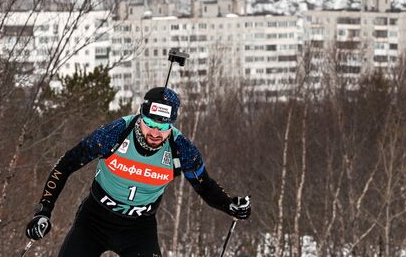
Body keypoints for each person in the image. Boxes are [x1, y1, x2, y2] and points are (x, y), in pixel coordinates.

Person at [25, 87, 251, 256]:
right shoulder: (114, 133)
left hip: (138, 229)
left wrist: (229, 204)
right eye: (150, 123)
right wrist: (44, 210)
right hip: (94, 220)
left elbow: (205, 185)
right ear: (140, 117)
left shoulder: (182, 149)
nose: (156, 132)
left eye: (164, 127)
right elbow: (65, 165)